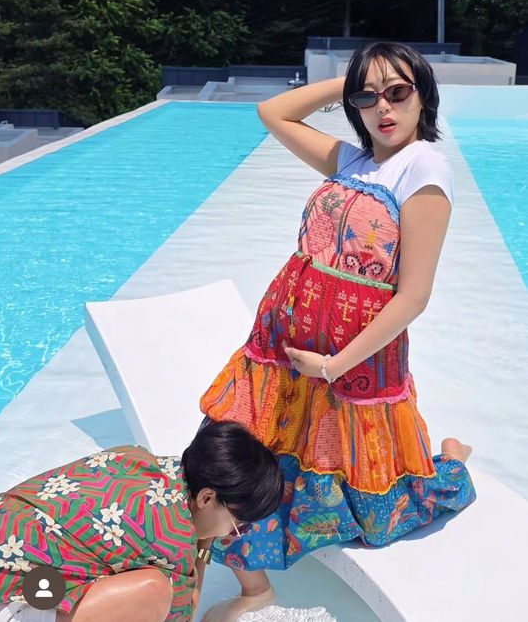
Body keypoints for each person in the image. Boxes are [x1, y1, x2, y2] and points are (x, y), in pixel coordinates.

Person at [199, 41, 476, 622]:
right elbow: (273, 112)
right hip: (281, 340)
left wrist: (333, 365)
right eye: (367, 97)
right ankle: (253, 583)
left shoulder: (424, 169)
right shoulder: (354, 160)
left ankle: (450, 462)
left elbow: (413, 295)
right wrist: (351, 83)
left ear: (423, 95)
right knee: (240, 454)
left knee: (376, 508)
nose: (383, 108)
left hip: (352, 360)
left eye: (397, 91)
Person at [0, 420, 284, 622]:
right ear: (207, 498)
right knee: (154, 591)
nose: (234, 534)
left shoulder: (136, 457)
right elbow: (183, 616)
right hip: (9, 604)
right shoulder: (172, 535)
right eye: (239, 523)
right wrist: (204, 544)